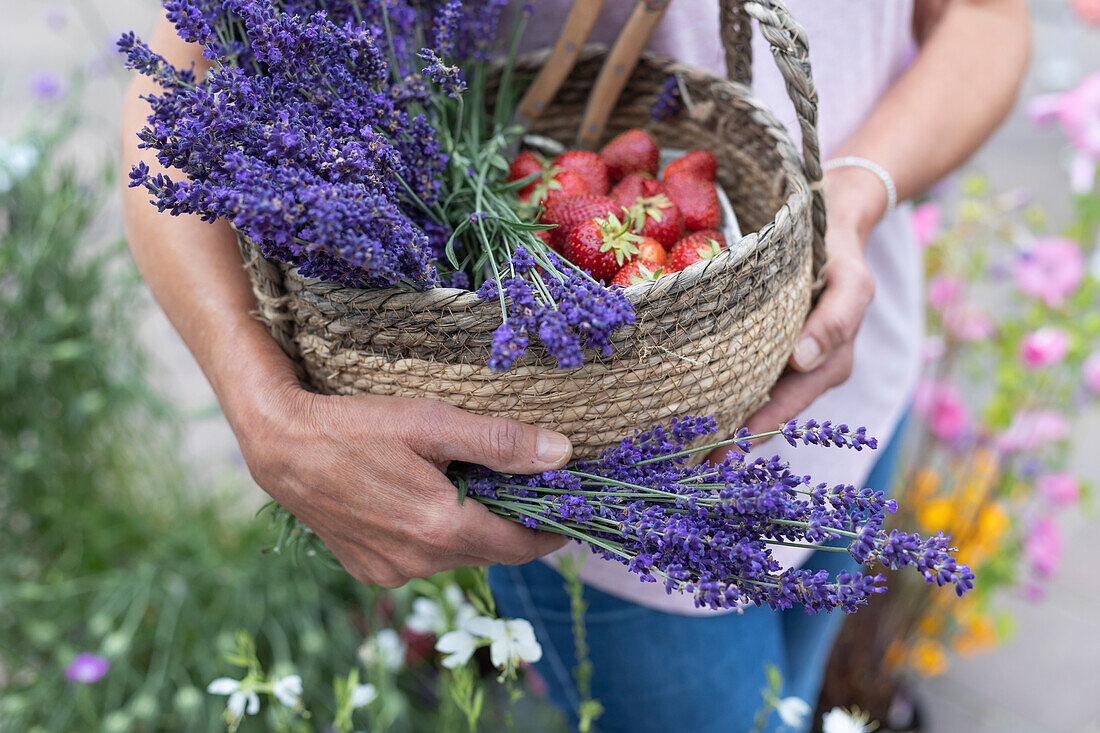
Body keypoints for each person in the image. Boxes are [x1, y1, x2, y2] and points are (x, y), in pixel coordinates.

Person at [121, 1, 1029, 730]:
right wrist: (265, 410)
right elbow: (174, 101)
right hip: (589, 479)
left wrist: (858, 195)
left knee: (800, 682)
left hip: (846, 346)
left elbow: (987, 17)